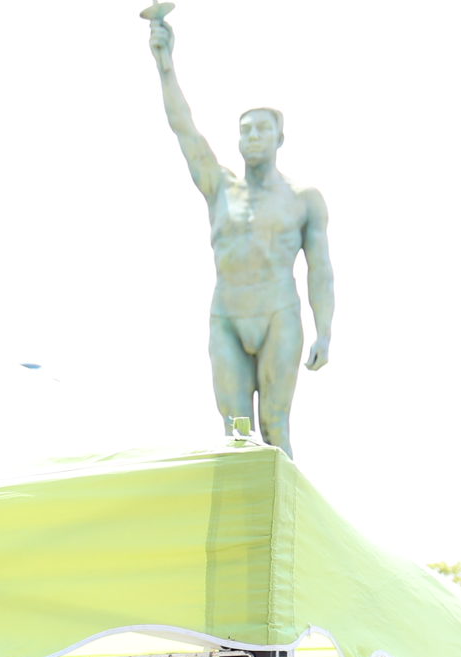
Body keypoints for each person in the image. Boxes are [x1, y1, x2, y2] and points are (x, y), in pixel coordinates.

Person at [146, 5, 333, 456]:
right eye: (245, 130)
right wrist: (165, 65)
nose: (253, 137)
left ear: (279, 138)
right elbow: (184, 129)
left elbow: (321, 270)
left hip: (278, 313)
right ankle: (237, 501)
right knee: (235, 431)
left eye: (262, 130)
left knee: (275, 424)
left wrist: (324, 330)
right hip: (228, 314)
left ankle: (281, 502)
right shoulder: (220, 187)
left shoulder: (303, 199)